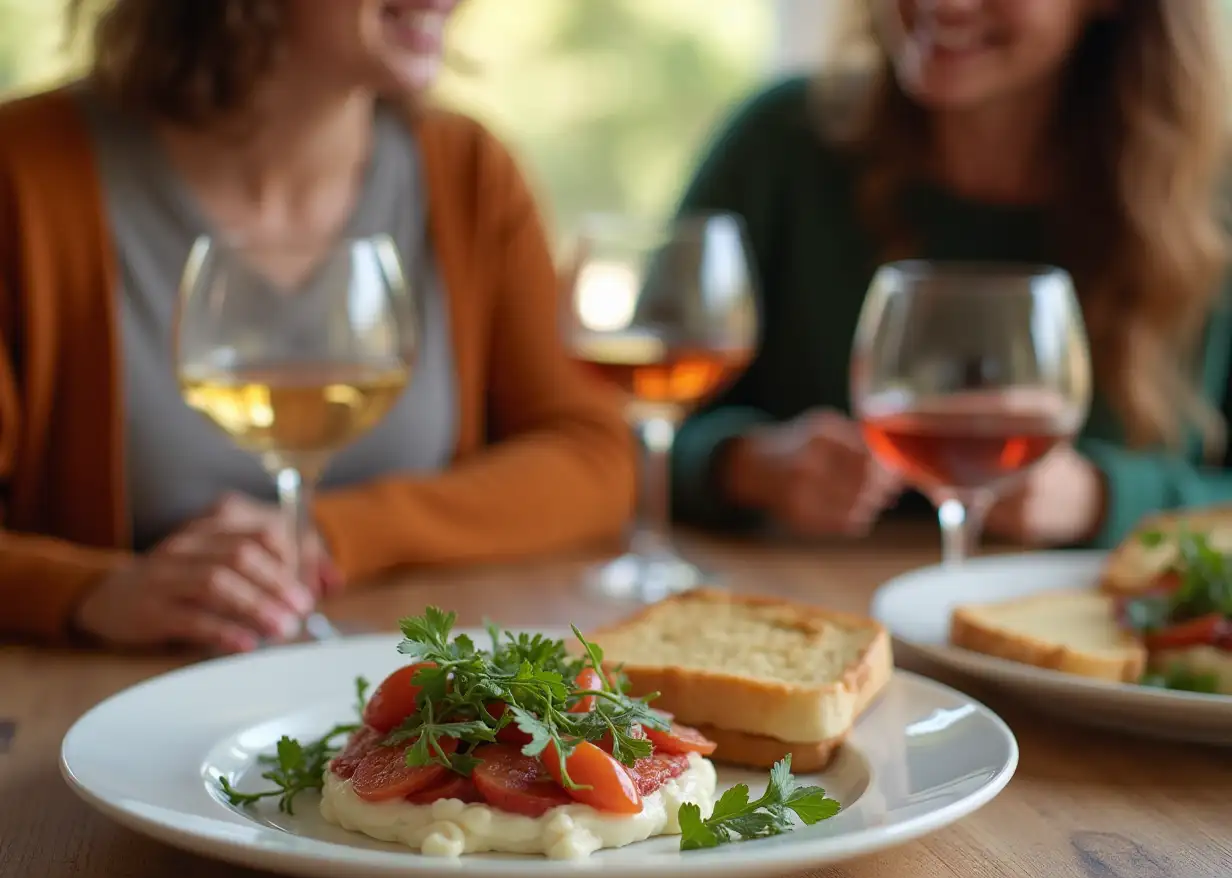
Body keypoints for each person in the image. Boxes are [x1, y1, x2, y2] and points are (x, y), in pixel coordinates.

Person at [0, 0, 636, 652]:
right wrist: (90, 591)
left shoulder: (468, 169)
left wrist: (326, 535)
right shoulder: (23, 172)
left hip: (378, 679)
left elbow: (594, 455)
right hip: (83, 700)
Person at [669, 0, 1232, 552]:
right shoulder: (780, 142)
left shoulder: (1213, 197)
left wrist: (1103, 499)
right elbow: (625, 427)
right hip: (806, 613)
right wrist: (743, 465)